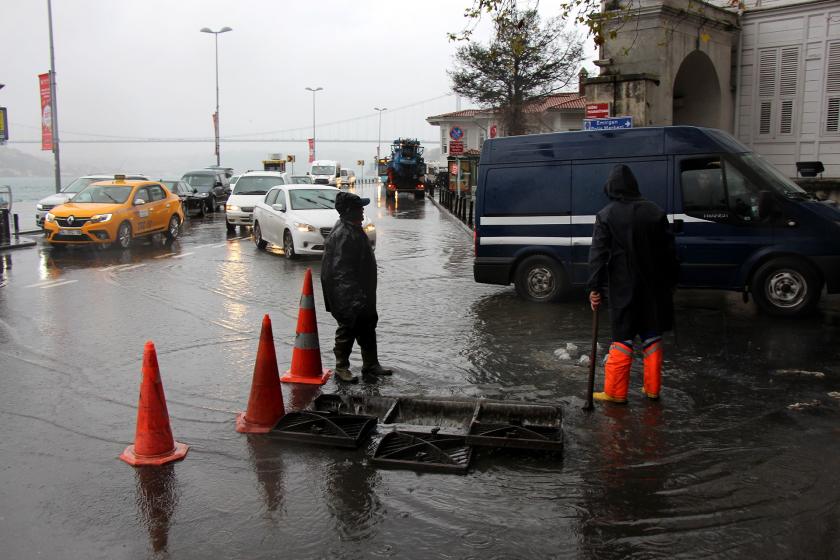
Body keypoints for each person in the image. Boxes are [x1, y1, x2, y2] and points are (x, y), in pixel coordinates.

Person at [588, 164, 679, 404]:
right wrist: (671, 283)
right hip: (654, 287)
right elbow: (670, 253)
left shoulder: (606, 215)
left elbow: (598, 254)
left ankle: (616, 393)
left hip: (622, 287)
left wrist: (594, 288)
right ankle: (652, 389)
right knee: (651, 335)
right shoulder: (656, 212)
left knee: (622, 337)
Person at [321, 191, 393, 383]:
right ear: (348, 211)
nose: (362, 210)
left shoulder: (353, 228)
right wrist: (353, 297)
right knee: (348, 329)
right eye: (359, 208)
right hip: (348, 295)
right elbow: (340, 271)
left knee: (368, 327)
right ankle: (341, 368)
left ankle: (371, 364)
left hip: (362, 292)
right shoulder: (343, 234)